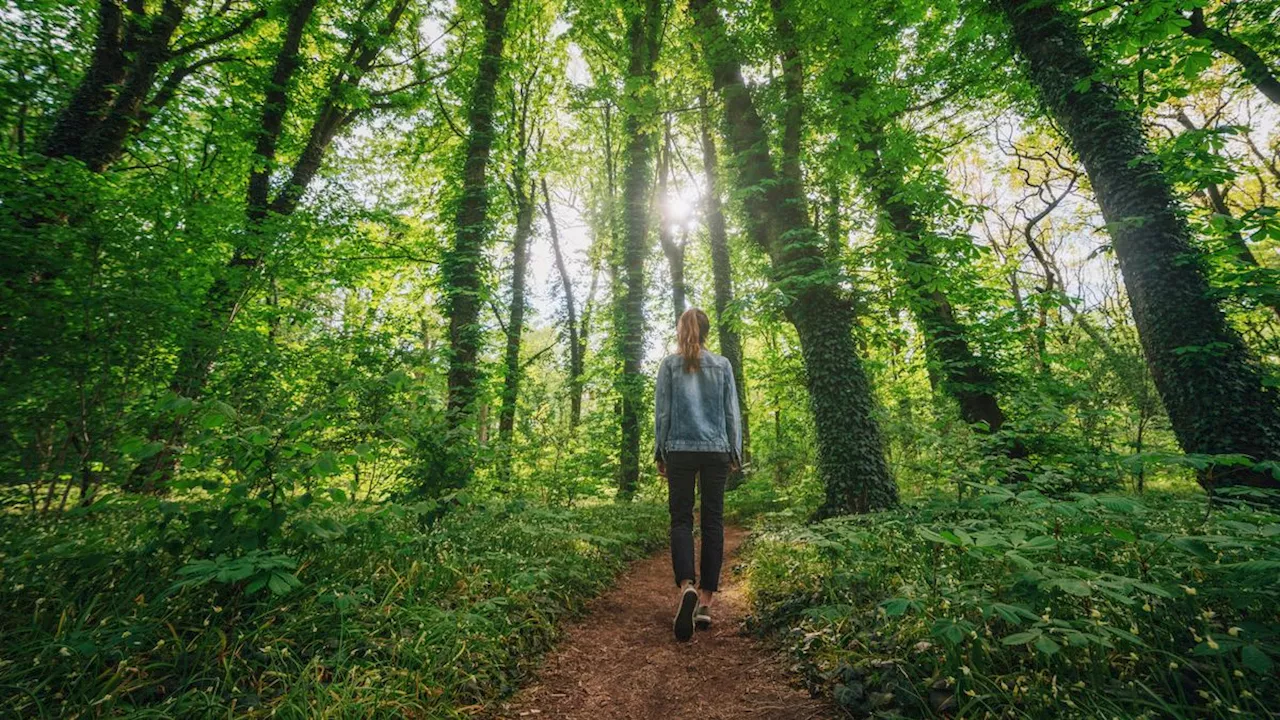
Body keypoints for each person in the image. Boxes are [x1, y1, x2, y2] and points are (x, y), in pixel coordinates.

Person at [653, 307, 742, 642]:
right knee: (713, 521)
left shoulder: (669, 365)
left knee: (680, 519)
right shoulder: (722, 365)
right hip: (716, 449)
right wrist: (734, 450)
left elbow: (663, 413)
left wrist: (660, 451)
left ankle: (686, 585)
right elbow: (731, 411)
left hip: (679, 449)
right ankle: (705, 602)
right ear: (707, 332)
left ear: (682, 330)